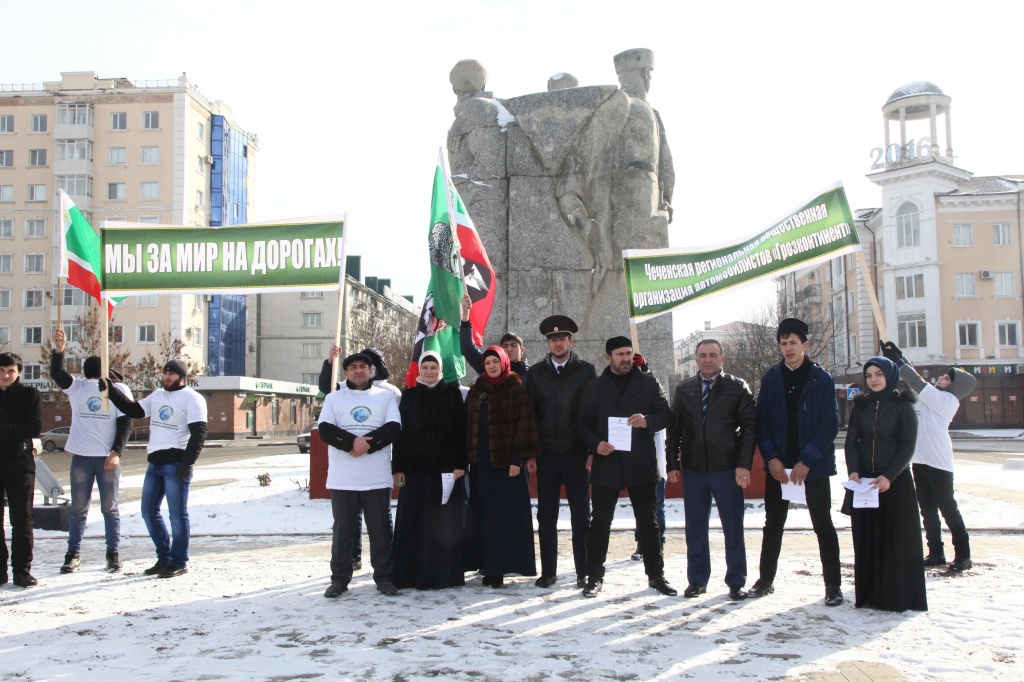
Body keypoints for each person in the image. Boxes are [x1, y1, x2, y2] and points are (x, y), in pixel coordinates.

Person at [748, 318, 843, 606]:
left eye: (792, 342)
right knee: (773, 524)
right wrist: (772, 459)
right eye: (783, 343)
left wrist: (807, 460)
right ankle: (765, 580)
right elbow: (761, 423)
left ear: (805, 345)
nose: (787, 348)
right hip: (780, 468)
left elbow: (830, 424)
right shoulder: (771, 379)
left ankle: (833, 586)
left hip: (812, 467)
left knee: (823, 524)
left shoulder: (821, 379)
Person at [577, 336, 675, 598]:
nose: (626, 359)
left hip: (640, 463)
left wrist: (647, 421)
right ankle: (594, 577)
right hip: (606, 463)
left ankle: (656, 576)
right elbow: (583, 423)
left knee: (649, 524)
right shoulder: (595, 387)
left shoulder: (648, 382)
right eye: (620, 354)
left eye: (629, 353)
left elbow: (666, 414)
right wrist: (596, 444)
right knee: (600, 523)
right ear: (608, 357)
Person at [666, 339, 757, 600]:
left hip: (727, 469)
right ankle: (697, 580)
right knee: (694, 528)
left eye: (713, 355)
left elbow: (750, 428)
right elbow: (675, 431)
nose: (708, 359)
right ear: (696, 359)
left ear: (722, 359)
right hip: (694, 470)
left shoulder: (737, 387)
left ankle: (736, 581)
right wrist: (673, 463)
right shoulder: (684, 389)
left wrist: (743, 464)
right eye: (703, 355)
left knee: (733, 527)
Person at [106, 359, 207, 578]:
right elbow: (132, 409)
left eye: (172, 374)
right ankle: (164, 558)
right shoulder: (157, 396)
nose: (167, 377)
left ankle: (179, 561)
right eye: (165, 373)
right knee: (148, 512)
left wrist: (187, 462)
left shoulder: (193, 399)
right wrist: (111, 391)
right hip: (155, 463)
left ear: (182, 377)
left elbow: (199, 433)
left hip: (176, 463)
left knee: (177, 515)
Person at [882, 342, 977, 572]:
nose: (940, 379)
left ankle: (963, 555)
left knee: (948, 508)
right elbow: (916, 385)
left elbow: (918, 383)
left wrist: (900, 362)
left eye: (945, 378)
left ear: (954, 387)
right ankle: (936, 552)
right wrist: (901, 360)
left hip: (939, 463)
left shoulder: (948, 401)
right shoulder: (929, 398)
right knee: (927, 510)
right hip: (920, 460)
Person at [844, 356, 926, 612]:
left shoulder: (904, 406)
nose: (874, 380)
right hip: (866, 484)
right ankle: (868, 595)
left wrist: (889, 476)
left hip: (894, 484)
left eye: (879, 374)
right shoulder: (861, 405)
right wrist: (855, 471)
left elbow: (907, 447)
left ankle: (894, 598)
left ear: (890, 376)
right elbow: (852, 442)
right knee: (866, 539)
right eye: (869, 375)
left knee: (894, 542)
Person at [317, 351, 402, 597]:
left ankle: (384, 577)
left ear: (371, 370)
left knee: (381, 532)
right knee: (343, 532)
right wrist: (350, 443)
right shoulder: (334, 398)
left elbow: (394, 427)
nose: (358, 370)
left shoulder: (385, 397)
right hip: (344, 479)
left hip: (375, 477)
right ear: (346, 372)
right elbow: (325, 429)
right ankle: (340, 579)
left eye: (363, 366)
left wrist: (365, 445)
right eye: (353, 367)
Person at [50, 328, 133, 573]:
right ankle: (72, 554)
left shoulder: (119, 390)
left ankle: (112, 553)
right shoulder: (78, 388)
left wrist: (117, 451)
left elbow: (126, 421)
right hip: (82, 458)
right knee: (77, 509)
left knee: (110, 508)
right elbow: (57, 373)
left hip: (107, 458)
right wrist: (59, 349)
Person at [525, 315, 596, 589]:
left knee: (581, 516)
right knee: (546, 516)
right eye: (552, 340)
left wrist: (592, 449)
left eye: (561, 339)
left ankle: (584, 571)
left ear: (571, 341)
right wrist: (531, 453)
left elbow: (592, 413)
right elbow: (531, 416)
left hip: (578, 454)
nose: (557, 343)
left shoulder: (586, 371)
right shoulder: (535, 373)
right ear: (548, 343)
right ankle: (549, 571)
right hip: (547, 455)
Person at [392, 352, 467, 589]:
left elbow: (460, 431)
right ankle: (411, 574)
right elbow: (401, 436)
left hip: (445, 470)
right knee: (415, 520)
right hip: (414, 471)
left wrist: (459, 464)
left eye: (434, 367)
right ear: (419, 370)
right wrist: (399, 468)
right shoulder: (410, 396)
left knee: (443, 523)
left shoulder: (452, 395)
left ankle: (444, 575)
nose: (429, 371)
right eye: (425, 367)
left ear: (440, 370)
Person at [464, 346, 539, 587]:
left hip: (507, 466)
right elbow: (467, 426)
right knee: (483, 515)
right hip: (480, 465)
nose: (492, 366)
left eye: (496, 361)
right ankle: (486, 563)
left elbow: (524, 424)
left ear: (504, 362)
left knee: (504, 517)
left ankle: (501, 568)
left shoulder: (515, 388)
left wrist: (517, 458)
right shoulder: (477, 389)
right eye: (487, 363)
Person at [0, 352, 42, 587]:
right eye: (1, 370)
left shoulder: (29, 395)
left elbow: (34, 427)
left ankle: (22, 570)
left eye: (10, 371)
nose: (5, 375)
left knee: (21, 520)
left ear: (18, 373)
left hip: (20, 464)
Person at [631, 353, 667, 561]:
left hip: (655, 453)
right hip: (635, 455)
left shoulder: (653, 387)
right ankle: (641, 542)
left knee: (657, 503)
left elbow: (663, 412)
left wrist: (647, 372)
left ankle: (658, 541)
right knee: (641, 503)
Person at [460, 293, 529, 380]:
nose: (509, 349)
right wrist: (465, 315)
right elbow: (468, 349)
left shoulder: (532, 374)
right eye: (505, 346)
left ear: (522, 350)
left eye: (513, 345)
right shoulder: (490, 367)